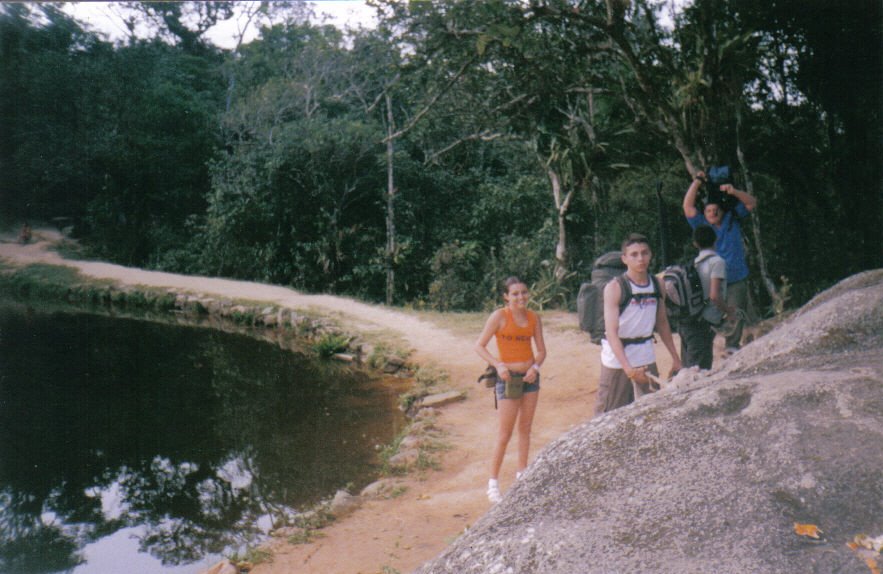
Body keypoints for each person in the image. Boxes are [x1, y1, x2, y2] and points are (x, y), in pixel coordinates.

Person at [475, 277, 546, 504]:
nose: (520, 297)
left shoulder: (534, 318)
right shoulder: (499, 316)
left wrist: (535, 367)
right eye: (515, 294)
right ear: (506, 296)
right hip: (508, 379)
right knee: (504, 433)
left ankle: (521, 476)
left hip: (530, 378)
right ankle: (493, 484)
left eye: (524, 292)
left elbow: (542, 351)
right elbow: (479, 345)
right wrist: (498, 365)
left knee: (525, 428)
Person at [595, 233, 682, 416]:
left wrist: (675, 358)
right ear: (624, 259)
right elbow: (611, 332)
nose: (640, 259)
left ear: (651, 255)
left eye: (644, 253)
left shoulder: (658, 284)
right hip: (617, 362)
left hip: (645, 356)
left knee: (651, 415)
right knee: (610, 415)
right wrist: (628, 369)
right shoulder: (615, 288)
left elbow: (662, 323)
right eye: (634, 254)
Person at [683, 171, 757, 352]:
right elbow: (687, 206)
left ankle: (731, 347)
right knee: (710, 314)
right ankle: (708, 347)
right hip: (711, 278)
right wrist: (697, 181)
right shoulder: (702, 224)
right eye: (708, 210)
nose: (712, 213)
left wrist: (734, 192)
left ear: (723, 211)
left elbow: (751, 203)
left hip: (736, 276)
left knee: (736, 311)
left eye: (716, 210)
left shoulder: (732, 219)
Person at [679, 225, 733, 370]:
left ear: (695, 244)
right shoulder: (717, 262)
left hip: (688, 321)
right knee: (700, 371)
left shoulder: (693, 264)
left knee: (689, 369)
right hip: (704, 322)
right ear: (715, 240)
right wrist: (729, 311)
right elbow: (714, 295)